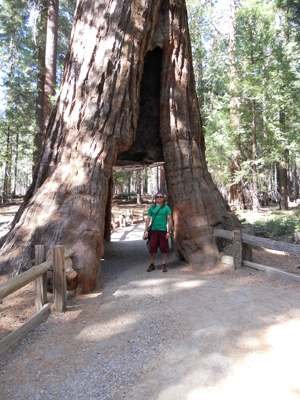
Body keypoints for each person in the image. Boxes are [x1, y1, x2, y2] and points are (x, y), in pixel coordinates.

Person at [143, 192, 173, 273]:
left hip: (163, 230)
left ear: (163, 198)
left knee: (164, 248)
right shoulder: (152, 208)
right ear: (155, 199)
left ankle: (164, 264)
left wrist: (168, 232)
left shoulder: (166, 208)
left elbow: (169, 220)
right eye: (157, 197)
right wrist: (145, 230)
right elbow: (148, 219)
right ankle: (152, 264)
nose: (159, 198)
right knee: (152, 248)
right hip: (153, 231)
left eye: (161, 197)